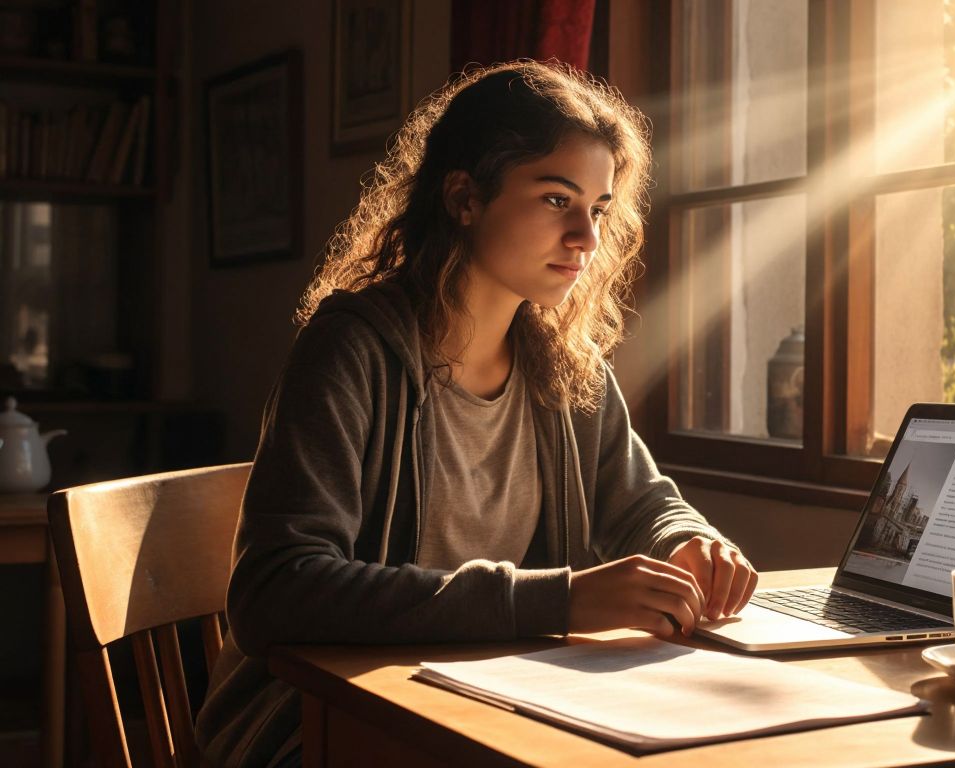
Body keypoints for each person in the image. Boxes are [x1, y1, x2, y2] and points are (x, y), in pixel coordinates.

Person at [195, 60, 758, 768]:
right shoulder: (350, 350)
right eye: (558, 200)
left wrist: (689, 542)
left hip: (483, 704)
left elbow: (643, 501)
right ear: (464, 197)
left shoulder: (561, 362)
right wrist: (557, 601)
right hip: (317, 723)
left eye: (600, 208)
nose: (586, 237)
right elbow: (275, 591)